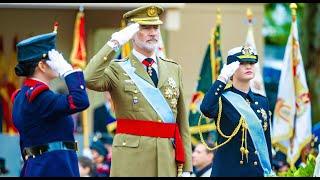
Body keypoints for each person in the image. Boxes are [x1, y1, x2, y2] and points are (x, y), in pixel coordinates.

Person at [84, 4, 192, 177]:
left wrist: (187, 167)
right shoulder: (118, 69)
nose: (153, 32)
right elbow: (89, 78)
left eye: (155, 27)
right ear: (132, 33)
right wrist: (114, 43)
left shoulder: (173, 69)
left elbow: (182, 123)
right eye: (145, 27)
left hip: (167, 158)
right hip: (131, 159)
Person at [11, 30, 90, 176]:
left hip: (40, 167)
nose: (58, 63)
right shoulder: (39, 96)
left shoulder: (22, 95)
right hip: (53, 168)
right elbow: (80, 101)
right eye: (53, 59)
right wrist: (67, 71)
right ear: (42, 65)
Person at [200, 46, 275, 177]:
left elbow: (266, 142)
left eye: (251, 63)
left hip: (256, 173)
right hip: (229, 172)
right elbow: (206, 108)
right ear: (232, 69)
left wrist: (269, 170)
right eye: (242, 63)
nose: (248, 67)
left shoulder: (262, 102)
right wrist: (222, 78)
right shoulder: (222, 99)